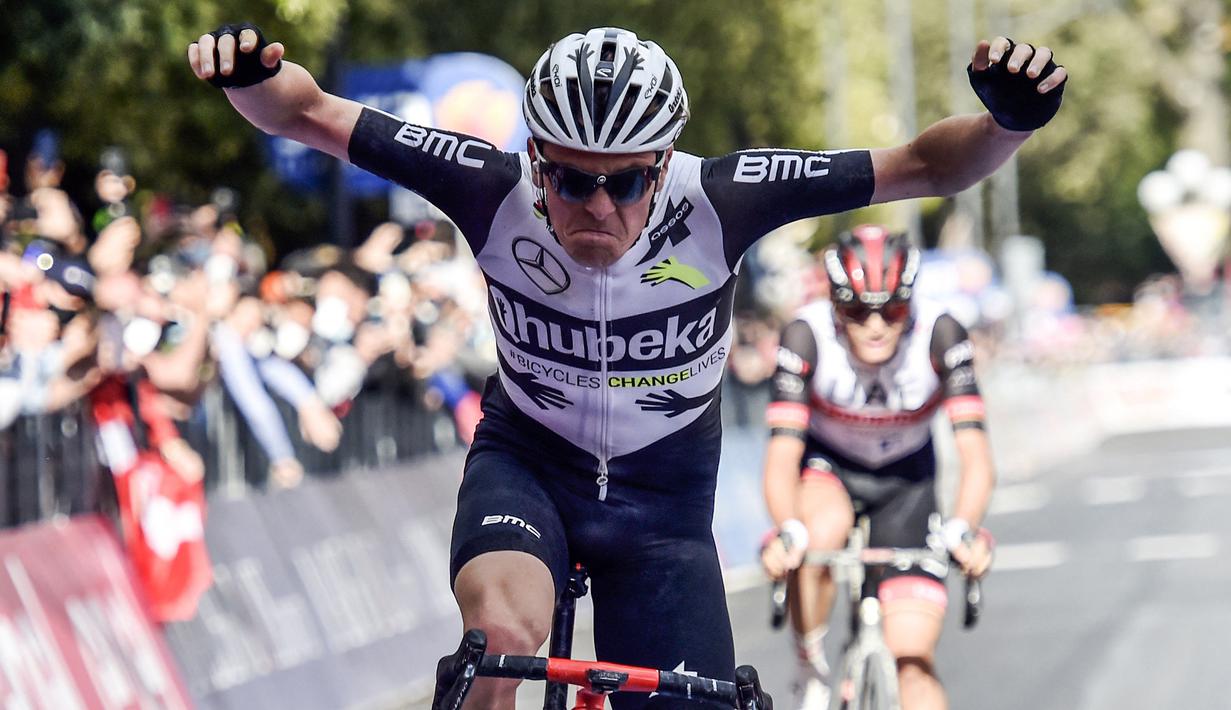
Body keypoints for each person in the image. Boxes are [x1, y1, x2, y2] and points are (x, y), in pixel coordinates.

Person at [188, 25, 1063, 709]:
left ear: (665, 163)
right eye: (569, 183)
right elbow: (308, 113)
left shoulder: (728, 196)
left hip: (665, 510)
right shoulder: (487, 187)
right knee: (501, 643)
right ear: (535, 159)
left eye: (626, 183)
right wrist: (247, 77)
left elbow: (925, 166)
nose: (597, 207)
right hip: (528, 467)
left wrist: (1007, 123)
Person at [758, 226, 995, 710]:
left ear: (910, 302)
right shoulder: (806, 334)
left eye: (892, 309)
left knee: (913, 662)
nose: (875, 324)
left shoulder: (941, 332)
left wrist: (966, 529)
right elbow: (781, 456)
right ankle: (812, 668)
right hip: (829, 468)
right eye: (855, 309)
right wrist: (786, 530)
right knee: (820, 530)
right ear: (833, 307)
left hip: (908, 481)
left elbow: (976, 455)